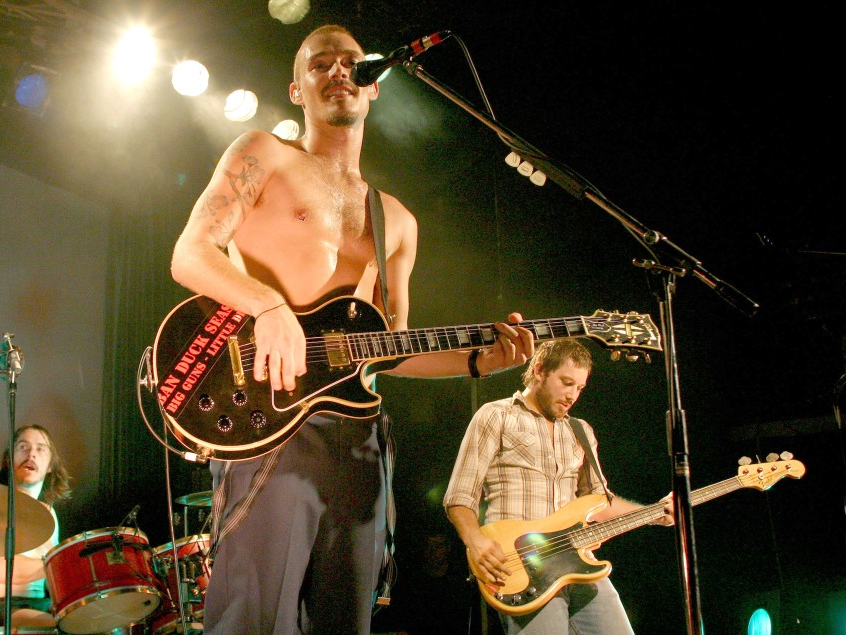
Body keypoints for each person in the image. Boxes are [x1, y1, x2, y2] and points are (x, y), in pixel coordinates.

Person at [169, 24, 535, 635]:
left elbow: (389, 347)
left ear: (372, 90)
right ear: (297, 89)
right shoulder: (263, 154)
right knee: (253, 618)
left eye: (350, 63)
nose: (339, 72)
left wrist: (480, 363)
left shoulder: (396, 219)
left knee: (348, 621)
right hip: (270, 420)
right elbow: (189, 253)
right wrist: (267, 305)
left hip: (359, 438)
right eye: (320, 65)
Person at [443, 340, 674, 634]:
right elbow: (459, 495)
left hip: (579, 563)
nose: (572, 396)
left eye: (579, 388)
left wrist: (655, 513)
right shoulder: (496, 415)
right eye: (566, 383)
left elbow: (599, 503)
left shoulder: (581, 431)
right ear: (539, 370)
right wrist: (475, 541)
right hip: (522, 567)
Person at [0, 424, 72, 628]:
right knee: (66, 628)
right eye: (23, 447)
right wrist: (59, 564)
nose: (31, 453)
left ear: (51, 465)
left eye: (41, 449)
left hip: (40, 606)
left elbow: (53, 584)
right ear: (8, 460)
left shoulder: (49, 513)